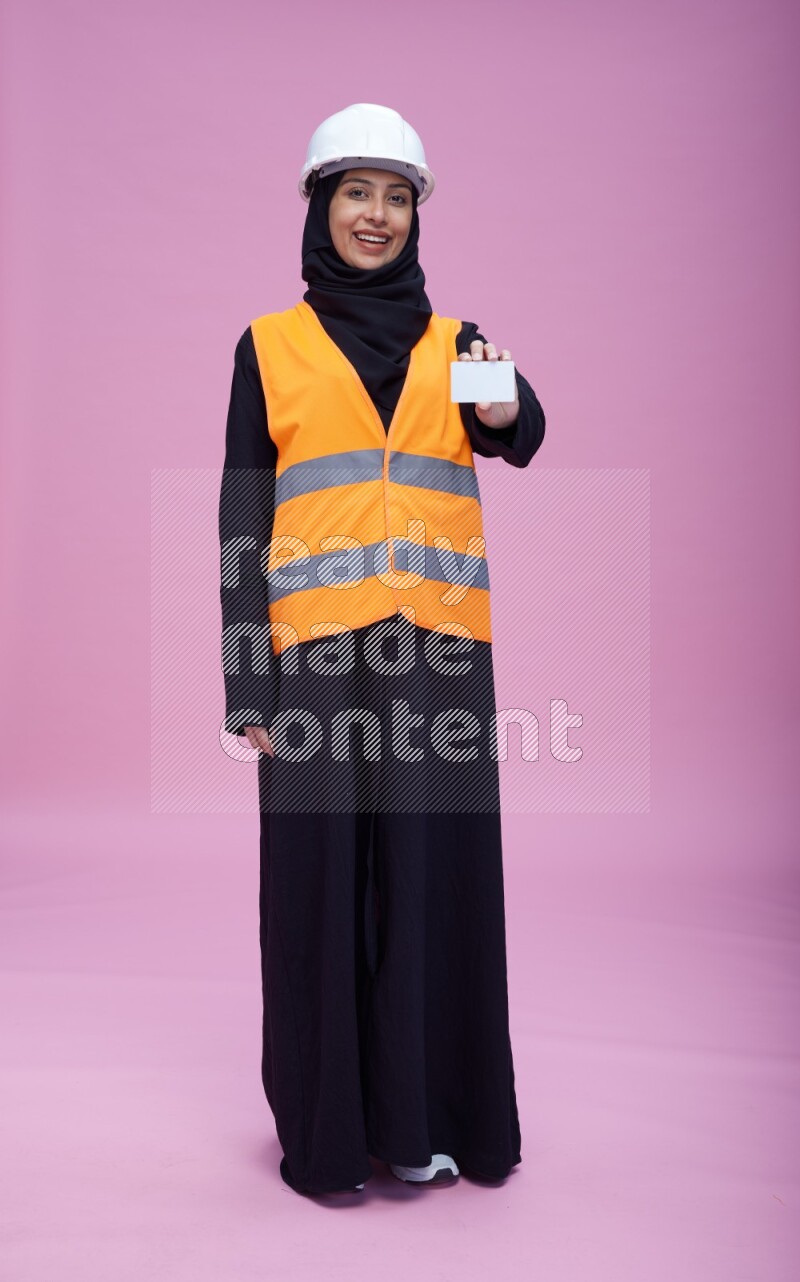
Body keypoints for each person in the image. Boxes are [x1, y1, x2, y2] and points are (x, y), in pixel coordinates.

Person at [219, 103, 546, 1197]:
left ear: (417, 214)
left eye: (396, 196)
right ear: (320, 204)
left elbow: (521, 434)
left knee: (431, 882)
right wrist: (246, 683)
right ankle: (327, 1137)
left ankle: (430, 1124)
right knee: (315, 891)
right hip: (311, 664)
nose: (376, 214)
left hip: (437, 658)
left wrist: (497, 404)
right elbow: (243, 520)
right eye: (356, 192)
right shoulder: (269, 347)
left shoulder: (459, 345)